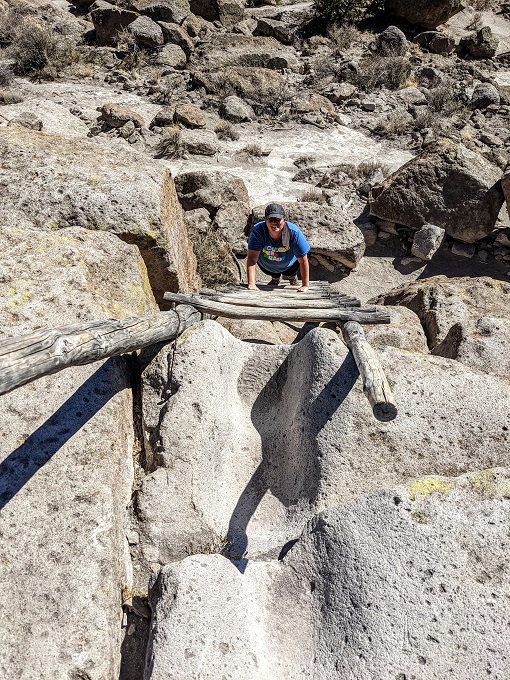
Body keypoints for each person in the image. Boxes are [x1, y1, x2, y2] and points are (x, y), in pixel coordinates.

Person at [246, 203, 310, 292]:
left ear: (284, 220)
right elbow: (252, 258)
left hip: (289, 265)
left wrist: (305, 285)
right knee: (273, 273)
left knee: (290, 272)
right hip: (267, 265)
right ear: (265, 220)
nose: (274, 222)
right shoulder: (258, 231)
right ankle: (275, 279)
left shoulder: (293, 232)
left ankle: (292, 278)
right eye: (270, 219)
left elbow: (303, 260)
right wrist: (251, 284)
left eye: (277, 219)